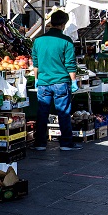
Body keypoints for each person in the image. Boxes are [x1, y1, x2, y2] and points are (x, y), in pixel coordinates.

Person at [31, 9, 79, 151]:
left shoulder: (38, 41)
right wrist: (74, 81)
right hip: (61, 82)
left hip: (44, 83)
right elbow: (70, 64)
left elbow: (35, 63)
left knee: (42, 113)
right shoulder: (66, 41)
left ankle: (40, 143)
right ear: (63, 24)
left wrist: (36, 79)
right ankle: (66, 143)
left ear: (51, 22)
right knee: (63, 113)